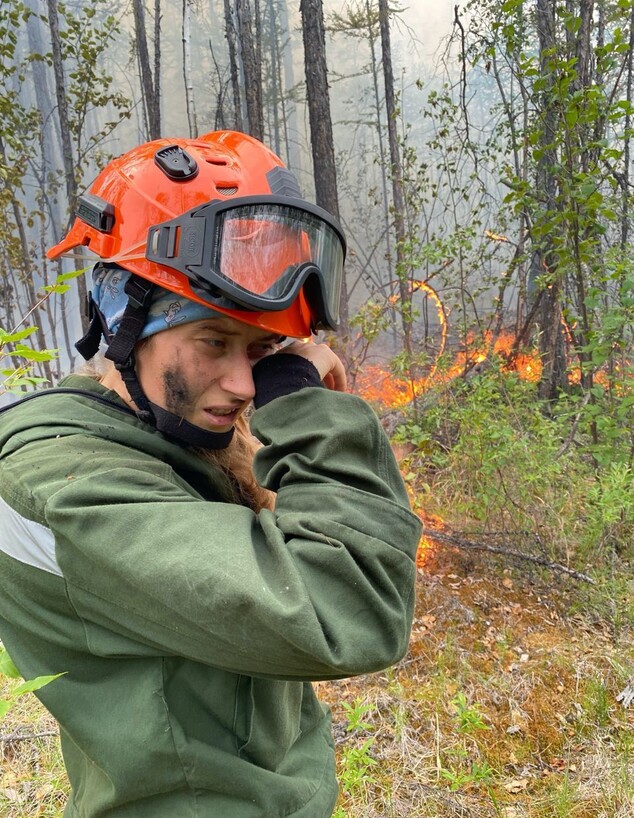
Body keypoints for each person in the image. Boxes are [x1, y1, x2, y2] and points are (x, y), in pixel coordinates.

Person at [0, 130, 421, 818]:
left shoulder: (161, 435)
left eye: (262, 349)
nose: (244, 382)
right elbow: (352, 607)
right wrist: (305, 407)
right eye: (213, 342)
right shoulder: (64, 481)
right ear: (122, 320)